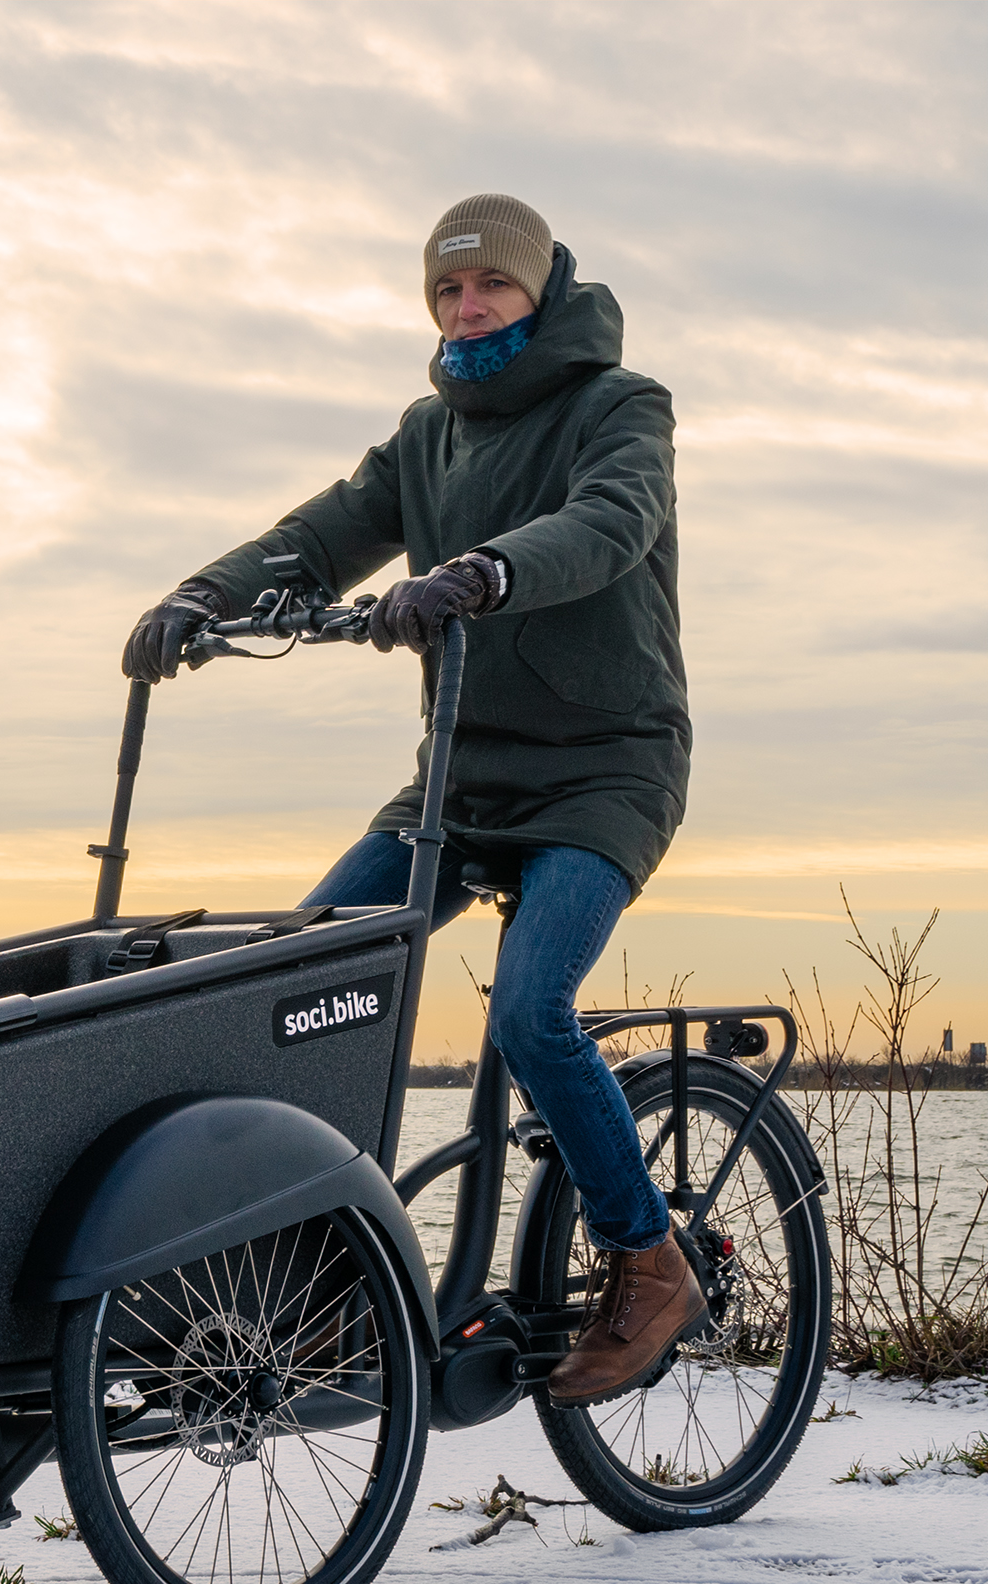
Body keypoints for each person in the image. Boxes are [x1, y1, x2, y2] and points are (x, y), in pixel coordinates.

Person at [120, 193, 705, 1409]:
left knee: (530, 1011)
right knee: (298, 973)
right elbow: (329, 530)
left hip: (605, 767)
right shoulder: (425, 433)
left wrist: (483, 571)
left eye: (487, 284)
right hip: (461, 769)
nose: (466, 305)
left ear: (536, 289)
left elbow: (606, 523)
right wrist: (199, 593)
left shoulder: (620, 406)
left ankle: (646, 1258)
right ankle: (319, 1264)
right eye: (444, 291)